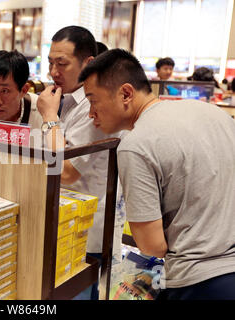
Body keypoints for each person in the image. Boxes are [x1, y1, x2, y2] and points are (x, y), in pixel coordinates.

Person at [79, 48, 235, 300]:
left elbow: (152, 245)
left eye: (93, 100)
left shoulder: (135, 145)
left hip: (196, 282)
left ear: (126, 93)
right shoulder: (212, 113)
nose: (90, 113)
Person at [36, 26, 125, 300]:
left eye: (62, 63)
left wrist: (50, 117)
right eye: (50, 62)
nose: (53, 71)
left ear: (88, 63)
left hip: (90, 234)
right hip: (65, 224)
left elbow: (64, 171)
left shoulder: (95, 105)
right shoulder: (61, 99)